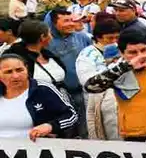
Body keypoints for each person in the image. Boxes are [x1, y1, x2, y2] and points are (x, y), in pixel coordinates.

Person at [83, 28, 146, 143]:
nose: (140, 56)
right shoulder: (117, 71)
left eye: (144, 50)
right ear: (122, 53)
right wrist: (126, 67)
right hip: (133, 136)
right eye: (133, 53)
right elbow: (91, 87)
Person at [0, 53, 78, 139]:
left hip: (35, 149)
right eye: (8, 72)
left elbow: (71, 115)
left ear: (27, 69)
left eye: (19, 70)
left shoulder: (42, 89)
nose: (16, 76)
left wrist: (50, 126)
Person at [46, 7, 91, 135]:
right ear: (53, 23)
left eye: (72, 20)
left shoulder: (83, 38)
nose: (71, 24)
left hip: (82, 92)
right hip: (58, 95)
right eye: (66, 21)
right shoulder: (46, 41)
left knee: (85, 127)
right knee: (65, 130)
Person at [75, 16, 121, 140]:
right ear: (99, 37)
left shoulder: (121, 50)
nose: (114, 41)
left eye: (117, 37)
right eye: (110, 38)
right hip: (96, 104)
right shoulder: (87, 55)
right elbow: (87, 82)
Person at [6, 19, 69, 94]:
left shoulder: (48, 55)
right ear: (42, 37)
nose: (51, 37)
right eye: (50, 33)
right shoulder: (17, 60)